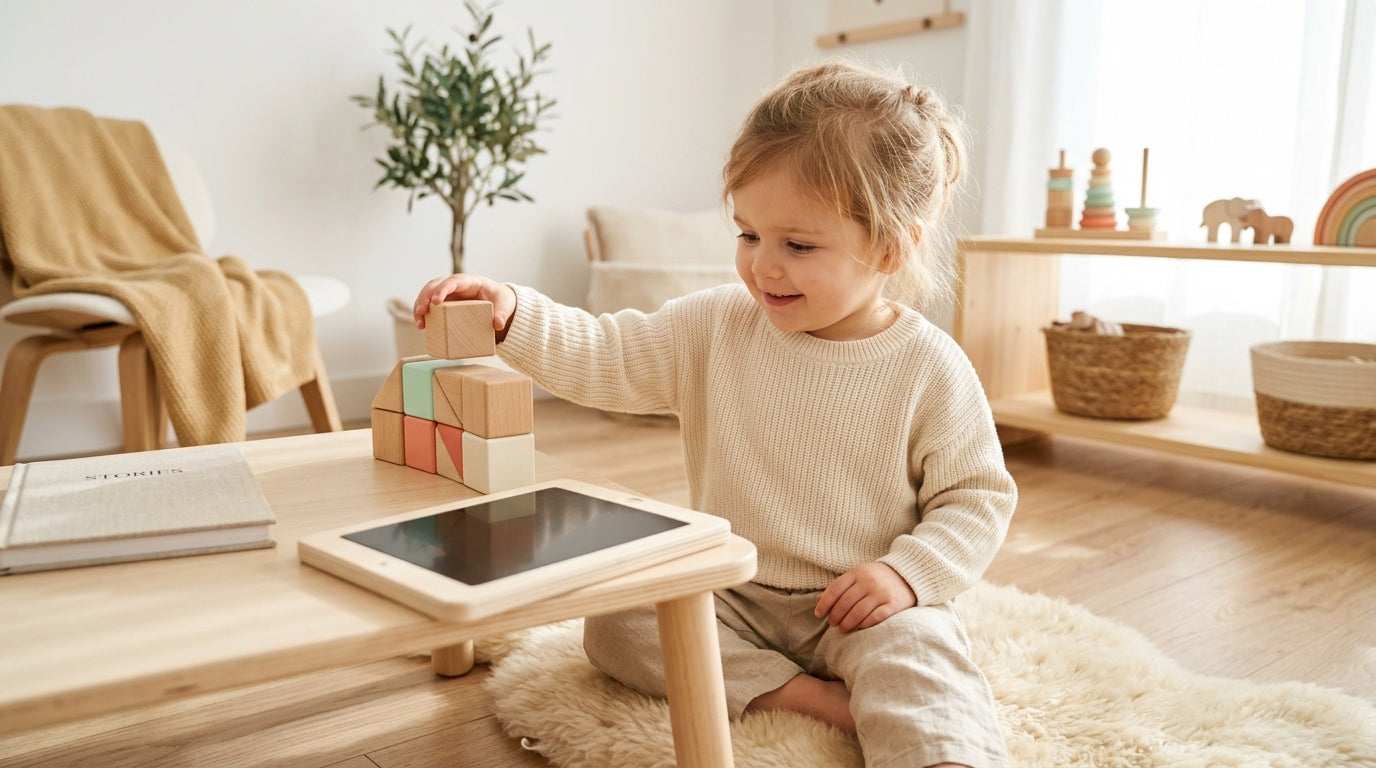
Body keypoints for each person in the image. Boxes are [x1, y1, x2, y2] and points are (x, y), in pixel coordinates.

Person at [414, 59, 1016, 768]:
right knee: (617, 626)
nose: (763, 266)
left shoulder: (929, 366)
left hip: (863, 605)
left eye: (797, 245)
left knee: (923, 660)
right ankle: (804, 697)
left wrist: (907, 575)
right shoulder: (715, 325)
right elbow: (606, 354)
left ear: (892, 246)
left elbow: (977, 499)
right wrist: (516, 315)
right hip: (730, 584)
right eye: (748, 235)